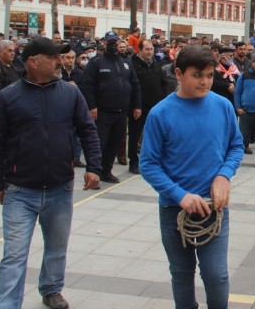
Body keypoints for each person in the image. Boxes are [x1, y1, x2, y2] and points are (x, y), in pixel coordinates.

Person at [0, 37, 101, 309]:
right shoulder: (8, 96)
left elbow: (87, 129)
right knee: (14, 255)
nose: (59, 61)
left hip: (60, 189)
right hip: (18, 191)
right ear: (33, 61)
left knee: (56, 249)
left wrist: (94, 167)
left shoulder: (70, 93)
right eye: (53, 57)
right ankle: (7, 304)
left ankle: (51, 290)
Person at [139, 45, 244, 309]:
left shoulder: (223, 106)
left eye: (209, 75)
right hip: (174, 210)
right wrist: (180, 195)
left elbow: (236, 146)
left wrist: (224, 175)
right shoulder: (160, 113)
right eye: (197, 75)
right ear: (178, 73)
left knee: (216, 274)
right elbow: (149, 164)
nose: (205, 81)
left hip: (214, 208)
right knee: (181, 273)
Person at [81, 31, 142, 183]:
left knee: (114, 144)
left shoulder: (126, 63)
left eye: (115, 42)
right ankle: (94, 174)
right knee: (99, 144)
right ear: (104, 44)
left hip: (121, 112)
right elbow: (87, 86)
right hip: (102, 112)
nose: (113, 45)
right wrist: (92, 106)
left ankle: (106, 171)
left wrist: (136, 106)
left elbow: (135, 85)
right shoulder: (96, 62)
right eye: (110, 42)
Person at [128, 40, 166, 174]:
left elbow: (162, 84)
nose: (150, 52)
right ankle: (133, 161)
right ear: (139, 50)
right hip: (138, 107)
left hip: (155, 106)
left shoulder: (156, 65)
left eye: (151, 49)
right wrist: (134, 105)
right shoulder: (132, 64)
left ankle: (152, 159)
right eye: (147, 49)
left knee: (154, 134)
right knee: (134, 135)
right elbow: (131, 87)